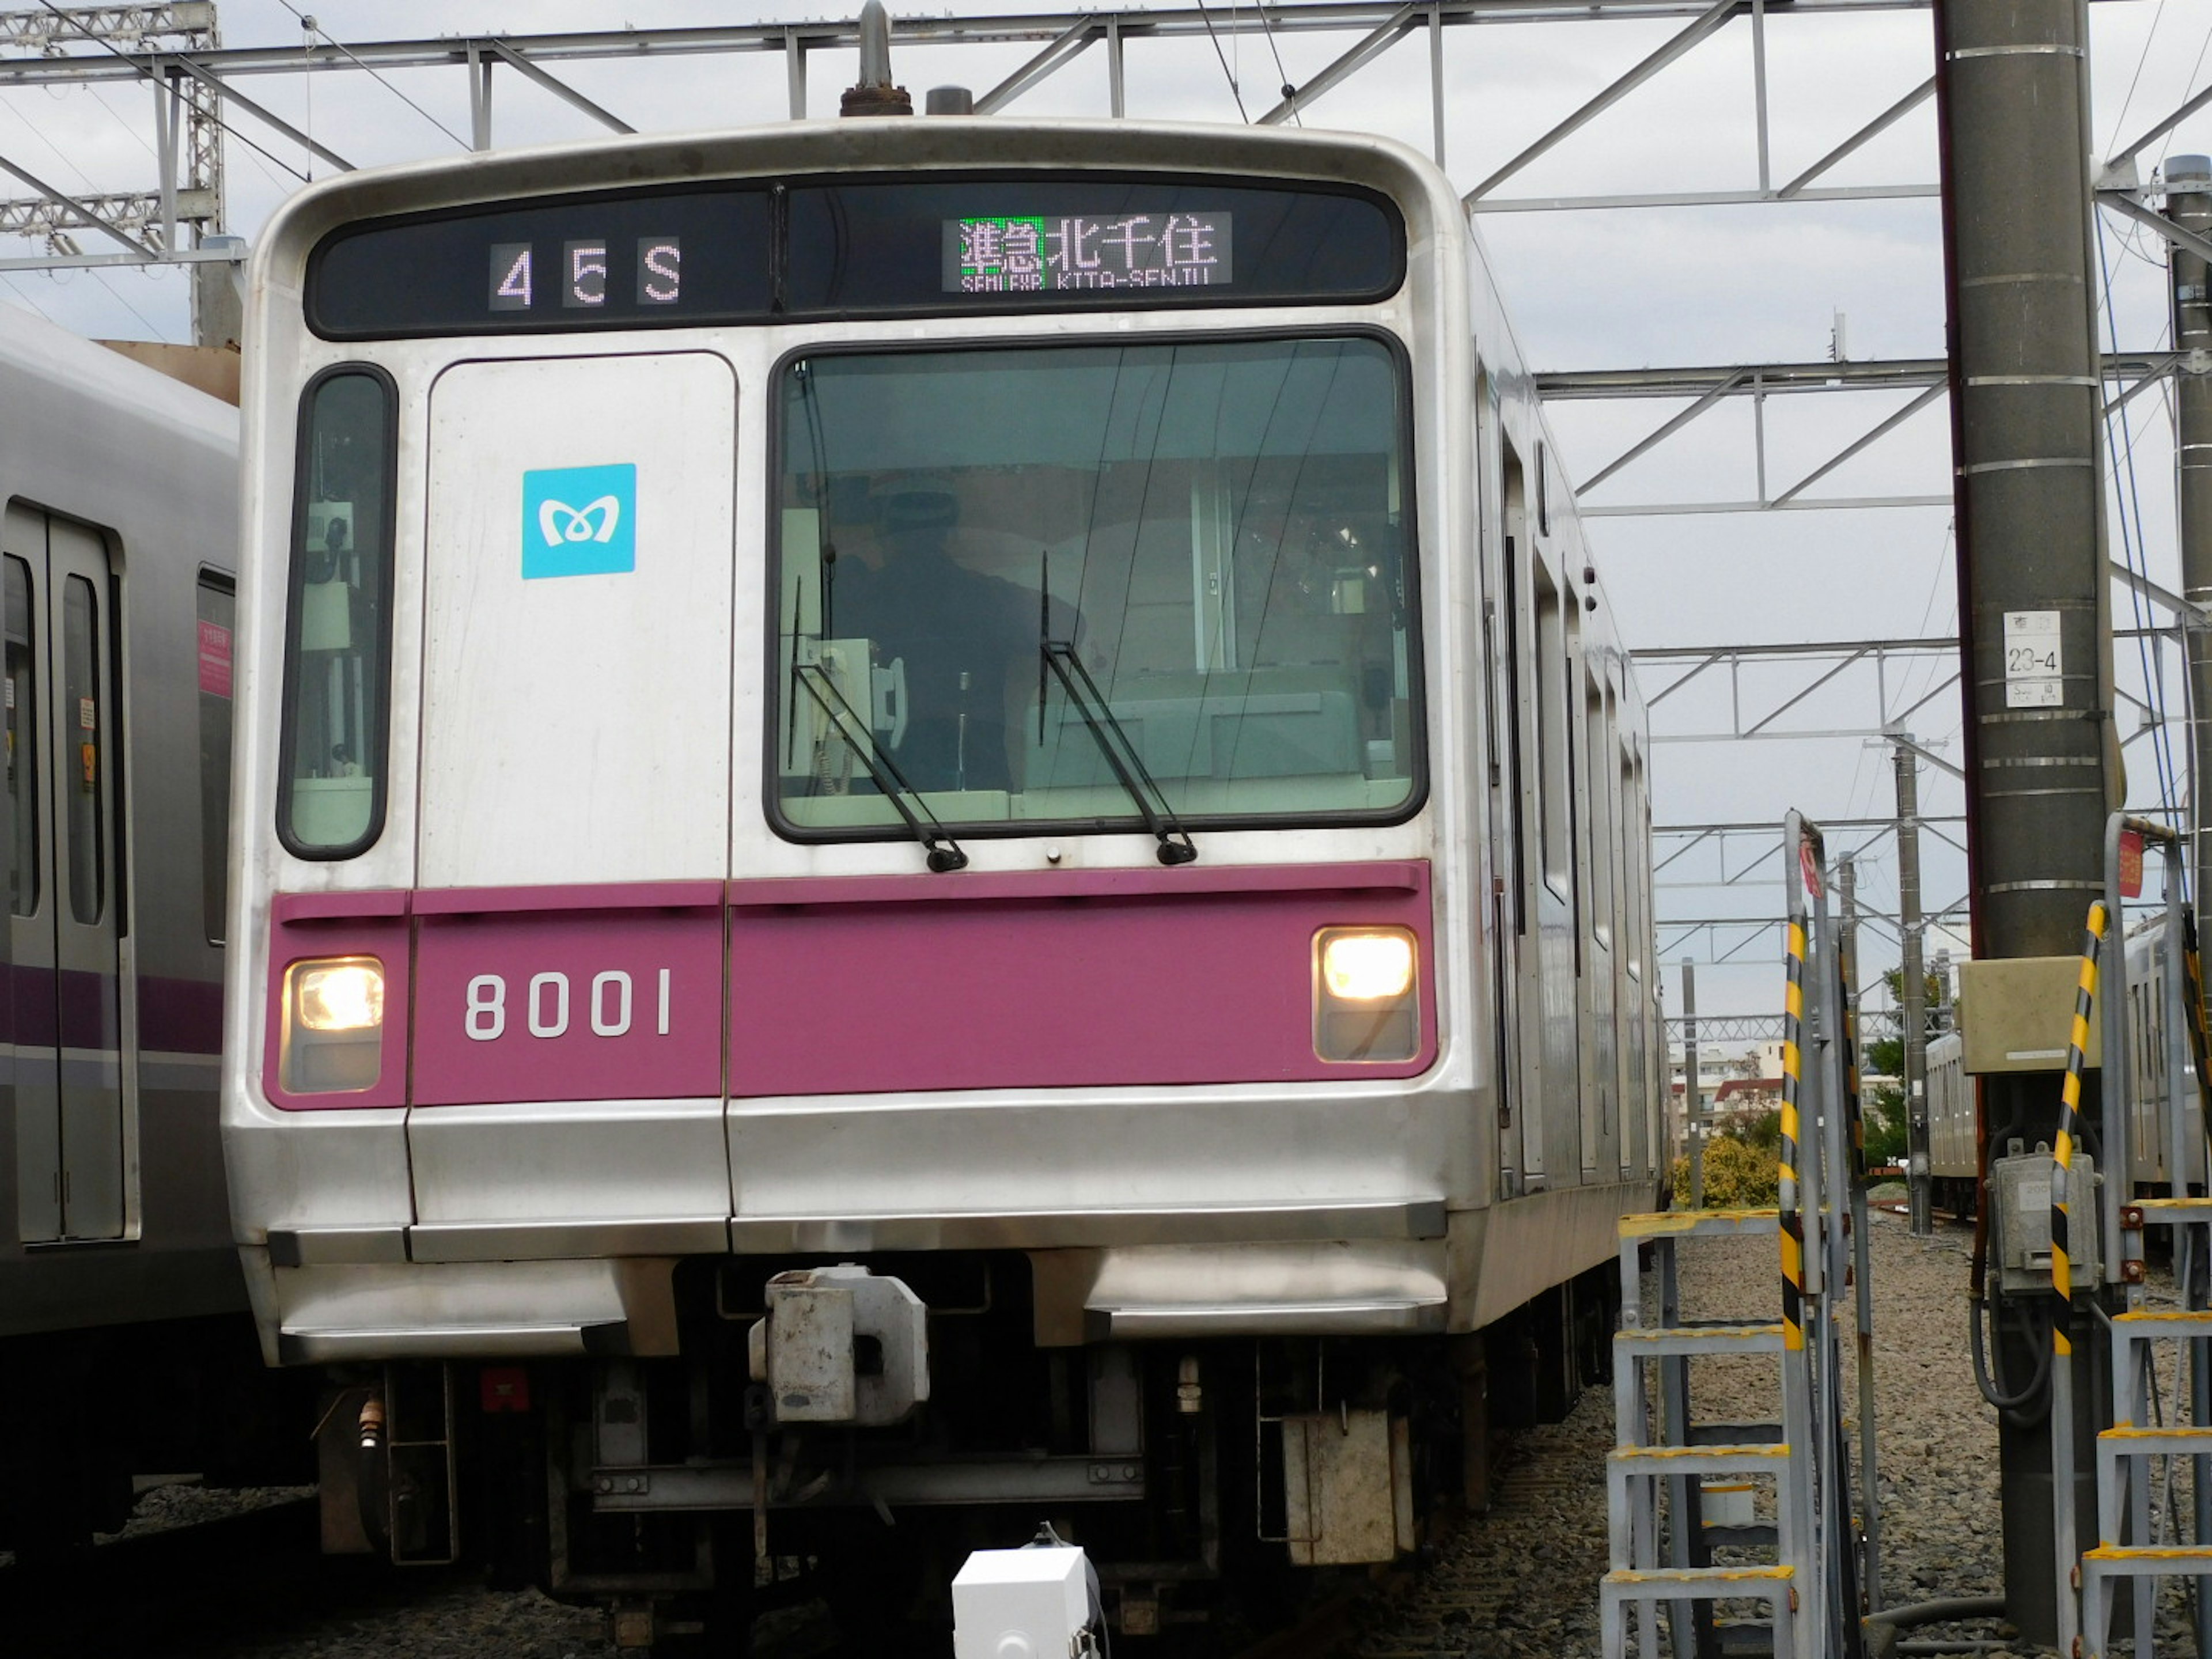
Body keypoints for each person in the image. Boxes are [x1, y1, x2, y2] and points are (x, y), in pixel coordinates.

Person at [832, 476, 1075, 794]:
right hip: (977, 792)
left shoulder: (856, 603)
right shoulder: (984, 598)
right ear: (952, 531)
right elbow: (1070, 626)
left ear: (883, 532)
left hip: (873, 798)